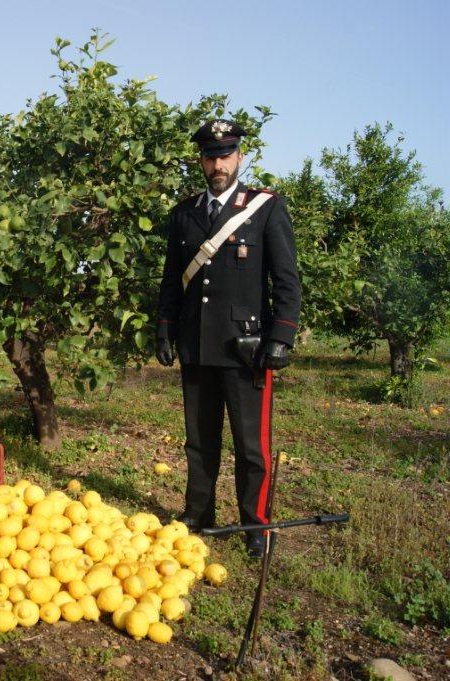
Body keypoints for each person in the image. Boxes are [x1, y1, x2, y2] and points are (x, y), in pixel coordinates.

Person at [155, 119, 301, 557]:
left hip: (247, 348)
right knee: (199, 439)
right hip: (197, 345)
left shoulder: (264, 207)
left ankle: (255, 524)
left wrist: (282, 336)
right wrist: (165, 327)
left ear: (239, 157)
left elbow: (287, 280)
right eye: (209, 156)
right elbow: (170, 281)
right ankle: (199, 513)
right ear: (200, 160)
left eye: (225, 155)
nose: (217, 163)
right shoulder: (183, 213)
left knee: (250, 444)